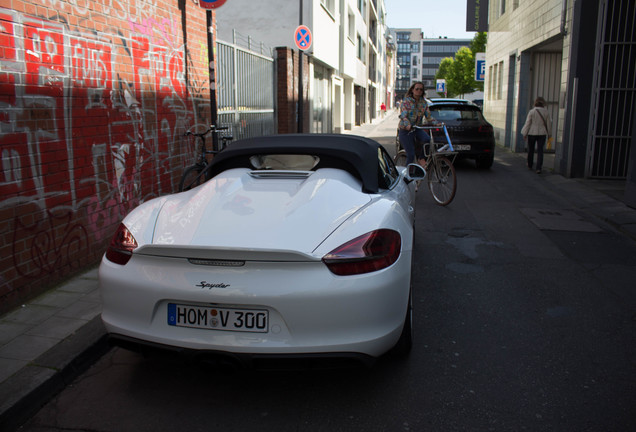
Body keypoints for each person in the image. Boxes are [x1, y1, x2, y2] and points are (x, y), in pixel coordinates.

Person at [398, 82, 438, 165]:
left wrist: (436, 123)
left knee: (427, 140)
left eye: (421, 89)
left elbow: (429, 116)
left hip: (416, 128)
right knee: (411, 155)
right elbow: (403, 115)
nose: (419, 91)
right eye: (417, 89)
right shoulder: (406, 101)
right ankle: (407, 176)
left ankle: (421, 158)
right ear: (412, 90)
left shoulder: (423, 103)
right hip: (406, 130)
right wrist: (407, 125)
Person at [521, 97, 552, 174]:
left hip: (532, 133)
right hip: (542, 133)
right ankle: (539, 168)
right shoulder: (546, 112)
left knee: (531, 149)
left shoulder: (531, 112)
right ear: (543, 104)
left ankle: (530, 164)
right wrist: (549, 134)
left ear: (535, 103)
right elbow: (549, 124)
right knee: (540, 151)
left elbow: (528, 123)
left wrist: (525, 133)